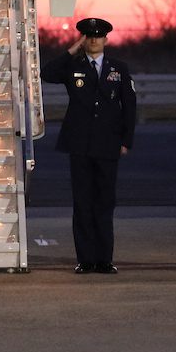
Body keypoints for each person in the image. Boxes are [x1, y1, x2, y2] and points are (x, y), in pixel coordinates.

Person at [40, 17, 137, 274]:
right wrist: (72, 50)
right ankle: (85, 259)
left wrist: (126, 140)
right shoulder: (73, 65)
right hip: (79, 143)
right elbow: (47, 74)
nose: (93, 40)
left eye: (98, 36)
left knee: (104, 203)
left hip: (108, 144)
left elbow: (129, 106)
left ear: (106, 40)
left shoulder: (119, 68)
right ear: (83, 39)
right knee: (83, 203)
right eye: (88, 36)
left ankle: (104, 259)